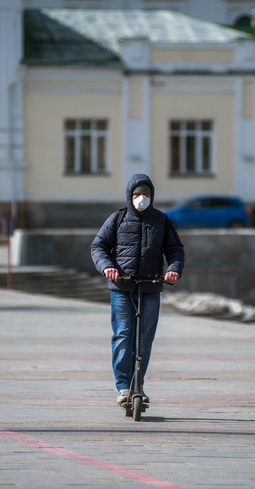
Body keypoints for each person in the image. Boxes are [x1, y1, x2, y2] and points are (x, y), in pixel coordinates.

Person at [90, 174, 185, 407]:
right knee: (123, 335)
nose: (141, 199)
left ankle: (138, 385)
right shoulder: (118, 218)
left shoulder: (162, 221)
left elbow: (175, 251)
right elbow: (98, 246)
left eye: (146, 195)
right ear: (129, 196)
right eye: (136, 195)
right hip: (122, 288)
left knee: (144, 339)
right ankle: (124, 387)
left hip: (151, 288)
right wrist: (108, 267)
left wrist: (173, 269)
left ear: (152, 197)